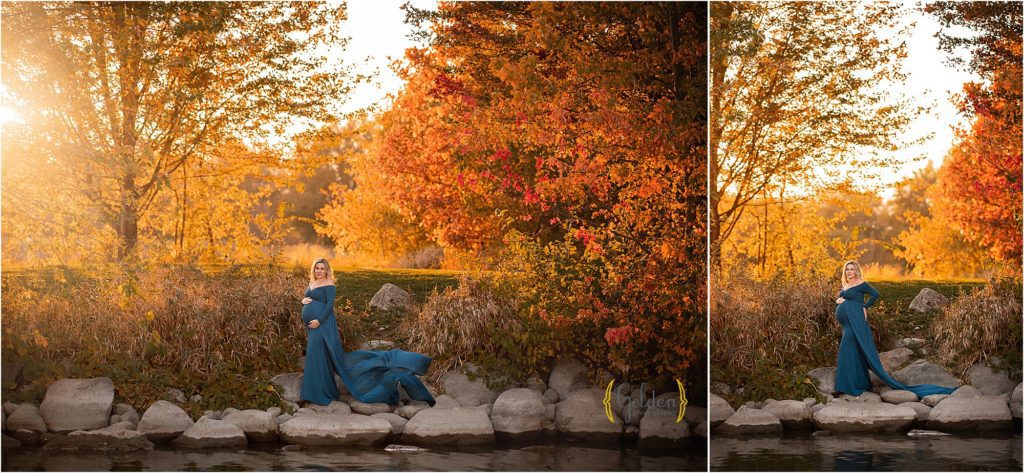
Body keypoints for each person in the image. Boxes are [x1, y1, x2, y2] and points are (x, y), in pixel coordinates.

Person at [299, 258, 436, 407]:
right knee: (318, 355)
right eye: (317, 268)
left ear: (327, 270)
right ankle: (318, 392)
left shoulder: (329, 283)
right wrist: (304, 300)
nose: (319, 271)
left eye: (322, 268)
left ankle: (321, 394)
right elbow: (307, 297)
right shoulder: (312, 282)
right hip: (313, 327)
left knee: (317, 354)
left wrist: (319, 320)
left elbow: (329, 306)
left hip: (323, 325)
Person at [833, 260, 956, 399]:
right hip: (847, 324)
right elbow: (842, 298)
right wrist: (838, 301)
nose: (849, 271)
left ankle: (846, 386)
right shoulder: (846, 284)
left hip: (856, 321)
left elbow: (875, 295)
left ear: (856, 271)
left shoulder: (861, 283)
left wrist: (864, 307)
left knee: (845, 349)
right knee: (854, 352)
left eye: (852, 269)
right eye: (847, 269)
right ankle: (857, 384)